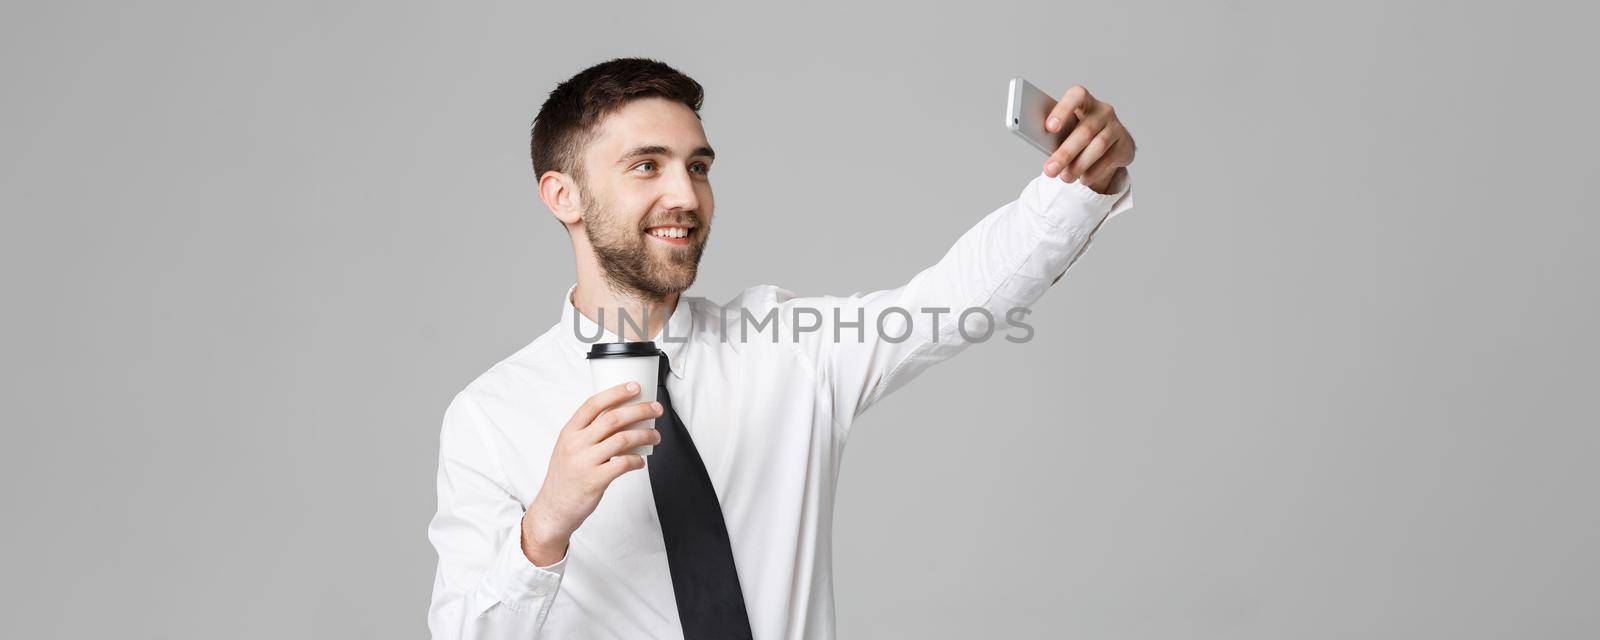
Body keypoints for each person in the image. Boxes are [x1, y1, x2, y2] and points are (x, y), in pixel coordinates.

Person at [426, 57, 1136, 639]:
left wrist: (1083, 185)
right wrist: (543, 527)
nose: (686, 195)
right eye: (647, 166)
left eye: (697, 166)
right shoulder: (490, 418)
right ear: (562, 196)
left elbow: (954, 303)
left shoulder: (786, 346)